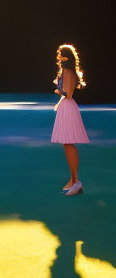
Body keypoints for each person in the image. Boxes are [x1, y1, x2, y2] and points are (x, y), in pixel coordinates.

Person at [51, 43, 88, 195]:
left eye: (61, 55)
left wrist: (59, 91)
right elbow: (67, 93)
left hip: (68, 108)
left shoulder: (67, 71)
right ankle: (73, 180)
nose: (59, 58)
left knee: (68, 144)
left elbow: (68, 93)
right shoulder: (69, 71)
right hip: (67, 107)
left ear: (66, 57)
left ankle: (76, 181)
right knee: (67, 144)